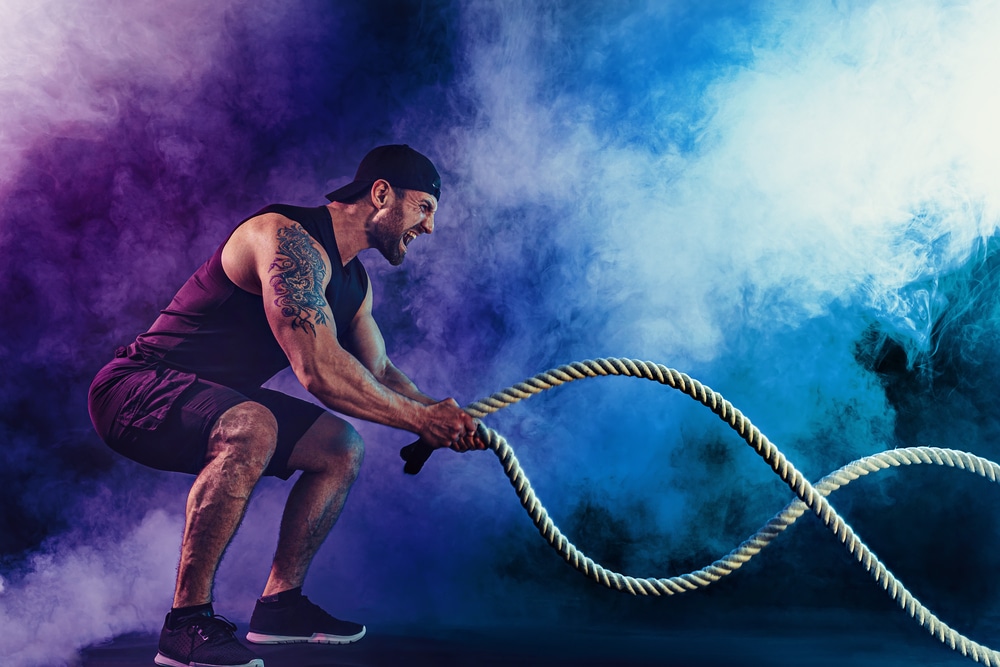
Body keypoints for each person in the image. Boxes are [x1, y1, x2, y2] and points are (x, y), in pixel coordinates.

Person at [88, 145, 484, 667]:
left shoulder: (354, 284)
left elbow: (380, 372)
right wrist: (420, 420)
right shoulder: (284, 237)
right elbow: (318, 371)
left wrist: (440, 414)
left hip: (218, 399)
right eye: (424, 208)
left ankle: (280, 607)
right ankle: (184, 626)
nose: (429, 227)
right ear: (382, 194)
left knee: (339, 447)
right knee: (253, 426)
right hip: (135, 387)